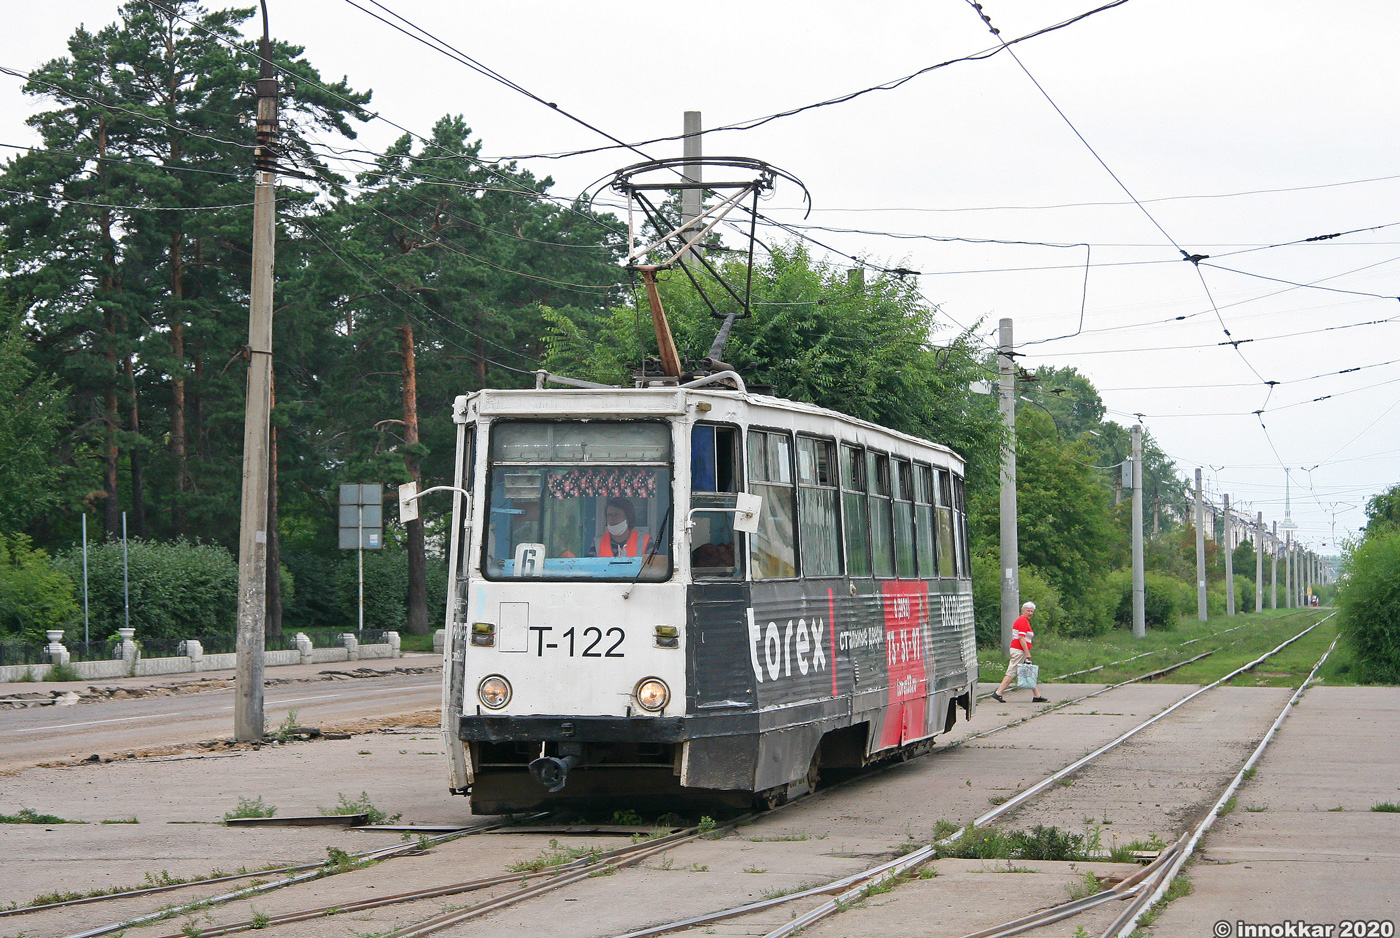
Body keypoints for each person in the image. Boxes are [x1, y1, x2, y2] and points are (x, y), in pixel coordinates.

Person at [991, 601, 1049, 704]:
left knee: (1028, 671)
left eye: (1032, 611)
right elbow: (1022, 638)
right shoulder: (1022, 620)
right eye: (1028, 611)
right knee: (1012, 672)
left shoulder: (1024, 620)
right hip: (1019, 650)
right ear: (1023, 611)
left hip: (1020, 650)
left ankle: (1037, 695)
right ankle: (998, 692)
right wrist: (1027, 653)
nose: (1030, 613)